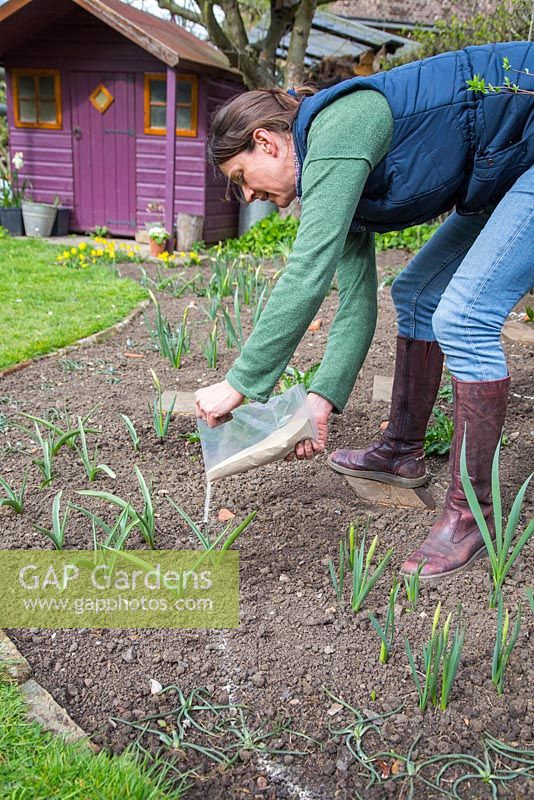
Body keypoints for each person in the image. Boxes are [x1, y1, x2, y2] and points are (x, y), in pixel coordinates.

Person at [194, 41, 534, 582]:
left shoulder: (337, 132)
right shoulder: (329, 173)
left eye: (241, 177)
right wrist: (319, 401)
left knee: (464, 315)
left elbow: (305, 274)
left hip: (525, 148)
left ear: (266, 142)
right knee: (418, 294)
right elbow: (354, 299)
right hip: (505, 165)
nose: (251, 195)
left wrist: (241, 384)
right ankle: (401, 451)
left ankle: (473, 514)